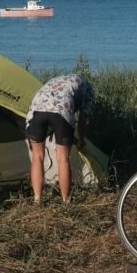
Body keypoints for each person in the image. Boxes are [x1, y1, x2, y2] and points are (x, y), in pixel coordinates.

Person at [25, 73, 94, 204]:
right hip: (62, 109)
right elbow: (83, 119)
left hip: (37, 109)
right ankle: (66, 201)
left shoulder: (54, 82)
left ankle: (37, 199)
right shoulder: (88, 88)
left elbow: (43, 109)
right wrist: (81, 139)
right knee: (62, 158)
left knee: (37, 156)